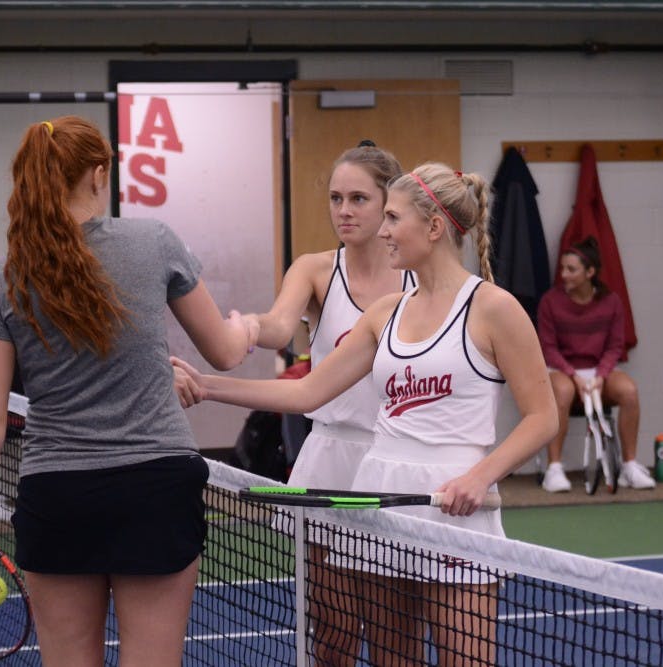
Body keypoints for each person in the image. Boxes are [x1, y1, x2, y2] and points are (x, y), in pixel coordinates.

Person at [174, 162, 558, 666]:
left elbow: (543, 417)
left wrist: (481, 475)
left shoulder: (495, 308)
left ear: (434, 227)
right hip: (379, 498)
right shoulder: (385, 313)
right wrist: (207, 387)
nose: (382, 231)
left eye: (393, 218)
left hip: (456, 510)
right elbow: (308, 392)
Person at [0, 115, 256, 667]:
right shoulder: (154, 241)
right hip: (155, 489)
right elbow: (226, 352)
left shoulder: (1, 275)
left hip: (58, 497)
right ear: (97, 173)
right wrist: (248, 326)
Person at [245, 140, 410, 666]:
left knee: (393, 642)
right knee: (333, 639)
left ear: (388, 203)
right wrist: (244, 328)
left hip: (396, 464)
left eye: (358, 199)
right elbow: (278, 327)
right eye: (336, 199)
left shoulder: (420, 279)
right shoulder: (315, 270)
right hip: (330, 462)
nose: (344, 211)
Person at [536, 236, 655, 493]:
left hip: (599, 372)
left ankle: (629, 467)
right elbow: (548, 349)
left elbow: (615, 346)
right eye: (563, 268)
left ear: (590, 272)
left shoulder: (611, 302)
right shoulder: (550, 302)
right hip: (562, 371)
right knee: (562, 391)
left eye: (571, 269)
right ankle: (553, 469)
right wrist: (574, 376)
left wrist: (600, 376)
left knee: (629, 391)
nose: (564, 274)